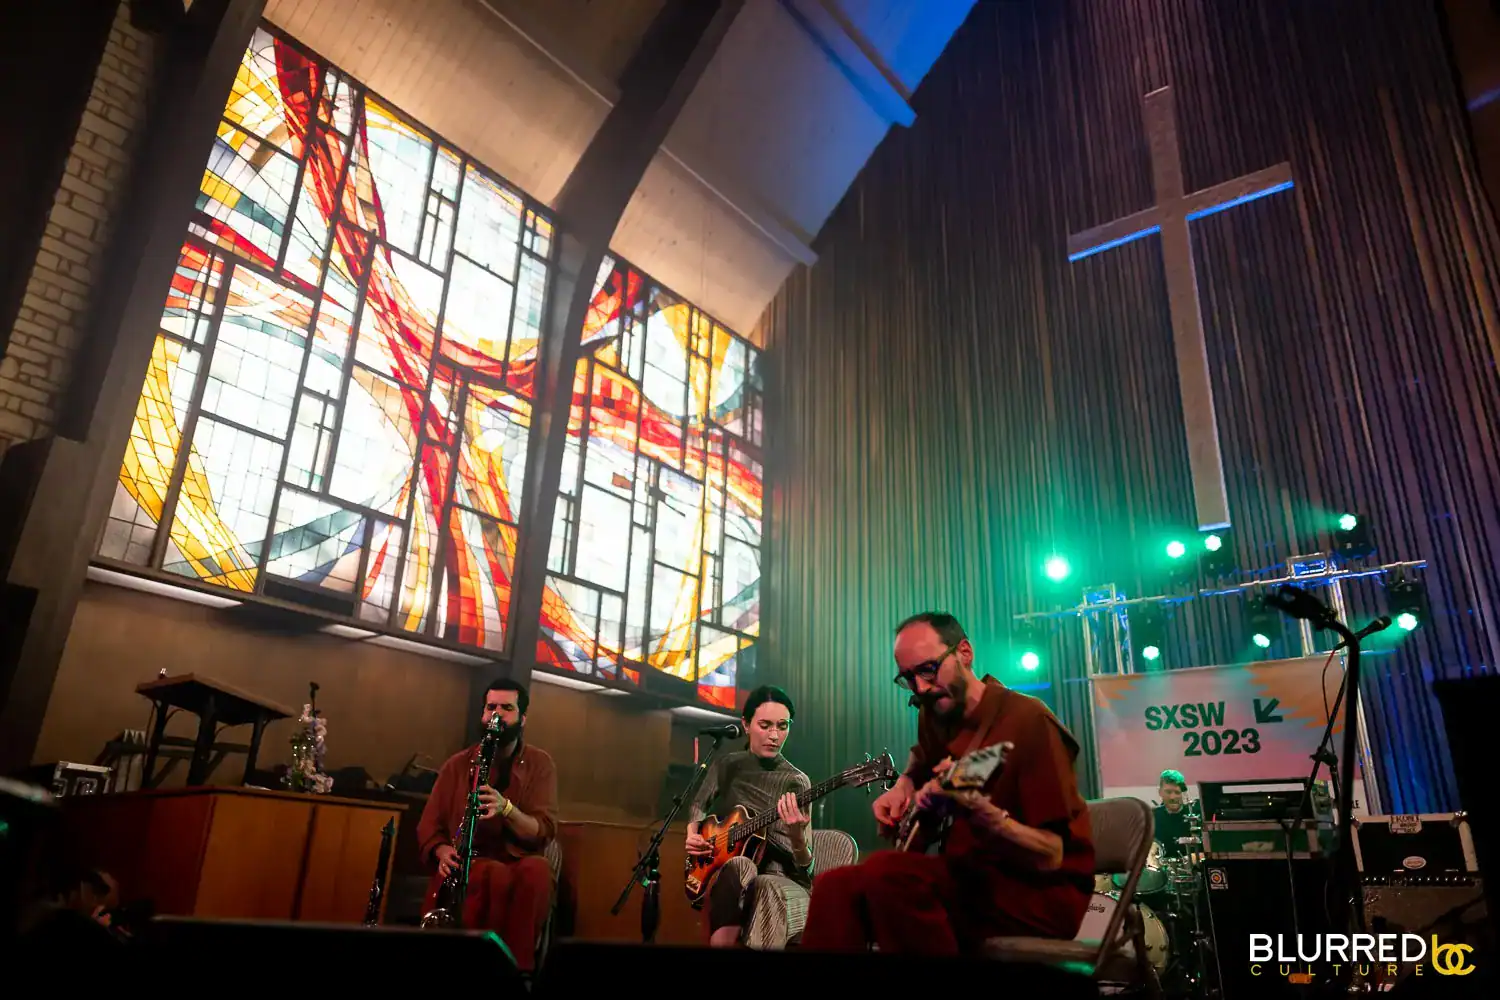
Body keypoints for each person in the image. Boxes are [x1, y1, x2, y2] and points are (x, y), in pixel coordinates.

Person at [800, 611, 1094, 954]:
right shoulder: (936, 711)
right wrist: (905, 784)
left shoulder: (1029, 721)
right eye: (908, 678)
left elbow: (1052, 853)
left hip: (1041, 890)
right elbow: (922, 758)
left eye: (928, 669)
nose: (921, 687)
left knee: (889, 874)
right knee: (833, 885)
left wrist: (991, 820)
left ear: (964, 652)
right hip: (970, 878)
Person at [416, 678, 557, 971]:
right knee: (491, 874)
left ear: (523, 718)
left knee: (538, 872)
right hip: (470, 859)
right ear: (483, 714)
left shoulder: (540, 764)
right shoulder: (457, 764)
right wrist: (441, 851)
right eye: (491, 707)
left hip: (519, 859)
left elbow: (543, 829)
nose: (497, 714)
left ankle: (518, 972)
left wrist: (507, 809)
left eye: (507, 708)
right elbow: (429, 825)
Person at [686, 685, 815, 947]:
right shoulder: (727, 765)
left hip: (780, 876)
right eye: (765, 725)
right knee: (739, 866)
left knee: (751, 874)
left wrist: (797, 838)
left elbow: (806, 867)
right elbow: (699, 803)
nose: (774, 735)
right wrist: (693, 834)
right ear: (746, 724)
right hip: (729, 867)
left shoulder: (796, 781)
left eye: (782, 726)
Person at [1154, 769, 1192, 860]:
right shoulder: (1151, 817)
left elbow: (1207, 852)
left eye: (1177, 792)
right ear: (1160, 792)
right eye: (1168, 792)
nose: (1172, 797)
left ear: (1183, 793)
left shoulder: (1195, 816)